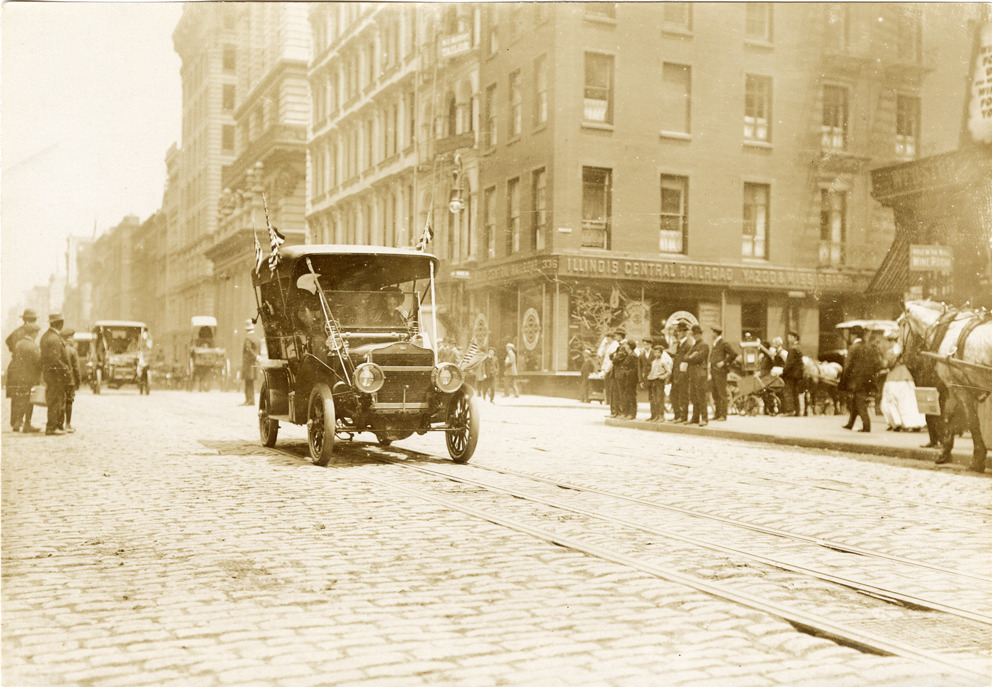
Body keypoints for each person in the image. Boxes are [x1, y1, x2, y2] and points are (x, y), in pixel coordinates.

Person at [840, 326, 881, 432]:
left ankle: (866, 426)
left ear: (854, 335)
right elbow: (876, 364)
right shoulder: (869, 347)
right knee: (855, 402)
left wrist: (844, 382)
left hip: (856, 381)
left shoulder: (853, 347)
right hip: (868, 380)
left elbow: (848, 366)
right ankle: (850, 423)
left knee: (860, 403)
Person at [879, 341, 926, 432]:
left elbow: (887, 364)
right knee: (909, 402)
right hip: (906, 377)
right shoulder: (906, 351)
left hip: (893, 378)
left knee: (891, 401)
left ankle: (897, 422)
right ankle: (914, 423)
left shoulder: (891, 351)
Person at [39, 313, 72, 436]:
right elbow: (55, 360)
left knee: (55, 399)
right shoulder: (54, 338)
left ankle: (55, 425)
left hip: (49, 373)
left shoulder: (46, 336)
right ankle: (52, 427)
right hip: (56, 375)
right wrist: (66, 370)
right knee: (55, 400)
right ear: (60, 324)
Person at [5, 322, 41, 433]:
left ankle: (17, 423)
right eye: (36, 333)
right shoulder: (33, 346)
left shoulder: (18, 344)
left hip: (18, 377)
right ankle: (27, 424)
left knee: (20, 400)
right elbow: (38, 362)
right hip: (30, 378)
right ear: (33, 333)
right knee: (29, 401)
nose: (37, 335)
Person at [685, 324, 710, 426]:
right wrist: (692, 356)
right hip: (693, 374)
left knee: (701, 397)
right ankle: (695, 418)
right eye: (694, 334)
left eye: (697, 334)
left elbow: (699, 358)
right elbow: (685, 357)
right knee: (694, 397)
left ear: (700, 334)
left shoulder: (704, 345)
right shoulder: (694, 346)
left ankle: (704, 418)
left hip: (700, 374)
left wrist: (691, 357)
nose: (695, 336)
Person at [708, 326, 735, 421]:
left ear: (716, 333)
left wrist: (724, 362)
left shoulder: (723, 343)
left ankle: (723, 415)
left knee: (722, 394)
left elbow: (733, 354)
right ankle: (717, 414)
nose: (711, 334)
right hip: (714, 372)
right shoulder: (715, 343)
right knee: (715, 393)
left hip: (720, 372)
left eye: (712, 332)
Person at [646, 339, 673, 422]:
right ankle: (656, 416)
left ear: (661, 353)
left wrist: (663, 377)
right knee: (654, 399)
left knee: (659, 399)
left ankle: (661, 416)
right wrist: (649, 377)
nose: (656, 354)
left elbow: (669, 371)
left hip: (659, 381)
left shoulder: (663, 361)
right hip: (653, 381)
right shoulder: (654, 362)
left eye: (658, 352)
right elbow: (652, 372)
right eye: (655, 352)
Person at [61, 329, 82, 433]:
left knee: (60, 401)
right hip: (70, 381)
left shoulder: (59, 348)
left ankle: (59, 424)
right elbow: (76, 368)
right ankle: (68, 424)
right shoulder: (72, 351)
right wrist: (78, 381)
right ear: (69, 338)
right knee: (69, 401)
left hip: (60, 380)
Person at [612, 339, 639, 419]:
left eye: (626, 345)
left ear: (629, 346)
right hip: (627, 379)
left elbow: (634, 369)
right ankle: (627, 413)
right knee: (626, 395)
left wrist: (626, 373)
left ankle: (632, 413)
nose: (625, 346)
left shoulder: (633, 356)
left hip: (631, 379)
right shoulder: (629, 355)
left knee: (630, 396)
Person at [670, 323, 691, 423]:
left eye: (681, 331)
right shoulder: (679, 344)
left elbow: (687, 360)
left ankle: (683, 417)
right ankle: (677, 415)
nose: (678, 333)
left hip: (682, 375)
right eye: (678, 331)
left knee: (683, 396)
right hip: (676, 374)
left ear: (685, 332)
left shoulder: (688, 345)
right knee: (673, 395)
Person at [781, 331, 805, 416]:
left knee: (788, 391)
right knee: (795, 392)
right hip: (797, 374)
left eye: (790, 337)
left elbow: (789, 363)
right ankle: (797, 411)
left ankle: (790, 411)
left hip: (791, 374)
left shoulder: (793, 349)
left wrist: (784, 371)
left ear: (795, 338)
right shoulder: (798, 347)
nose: (789, 339)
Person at [598, 330, 622, 412]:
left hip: (611, 371)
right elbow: (604, 357)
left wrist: (606, 371)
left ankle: (614, 410)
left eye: (607, 338)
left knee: (612, 390)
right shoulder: (610, 345)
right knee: (611, 390)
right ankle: (613, 410)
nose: (606, 340)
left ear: (610, 338)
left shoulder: (614, 345)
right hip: (608, 370)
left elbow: (611, 361)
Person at [241, 320, 260, 406]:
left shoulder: (248, 338)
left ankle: (249, 400)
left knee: (248, 382)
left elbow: (248, 350)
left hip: (248, 364)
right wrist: (257, 357)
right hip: (254, 363)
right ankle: (251, 400)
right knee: (251, 382)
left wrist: (255, 356)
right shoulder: (257, 338)